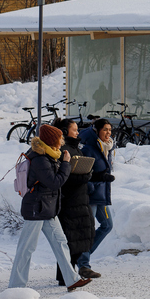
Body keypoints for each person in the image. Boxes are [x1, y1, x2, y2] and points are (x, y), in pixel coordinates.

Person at [8, 124, 91, 291]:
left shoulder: (49, 155)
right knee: (26, 248)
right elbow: (54, 182)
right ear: (52, 141)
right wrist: (66, 164)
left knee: (61, 243)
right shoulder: (40, 159)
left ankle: (72, 279)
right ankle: (16, 287)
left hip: (47, 209)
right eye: (59, 139)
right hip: (37, 209)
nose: (61, 142)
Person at [53, 119, 95, 286]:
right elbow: (65, 175)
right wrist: (85, 176)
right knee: (71, 238)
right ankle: (66, 276)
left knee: (78, 237)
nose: (78, 133)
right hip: (70, 199)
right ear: (65, 131)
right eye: (75, 130)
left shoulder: (74, 147)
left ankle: (65, 275)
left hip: (79, 198)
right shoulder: (63, 150)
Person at [75, 118, 115, 278]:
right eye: (105, 129)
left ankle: (80, 255)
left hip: (101, 196)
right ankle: (84, 264)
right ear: (97, 131)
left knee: (107, 225)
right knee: (88, 229)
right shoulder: (89, 149)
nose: (108, 133)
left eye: (110, 130)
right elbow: (82, 173)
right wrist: (99, 178)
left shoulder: (107, 147)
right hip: (91, 196)